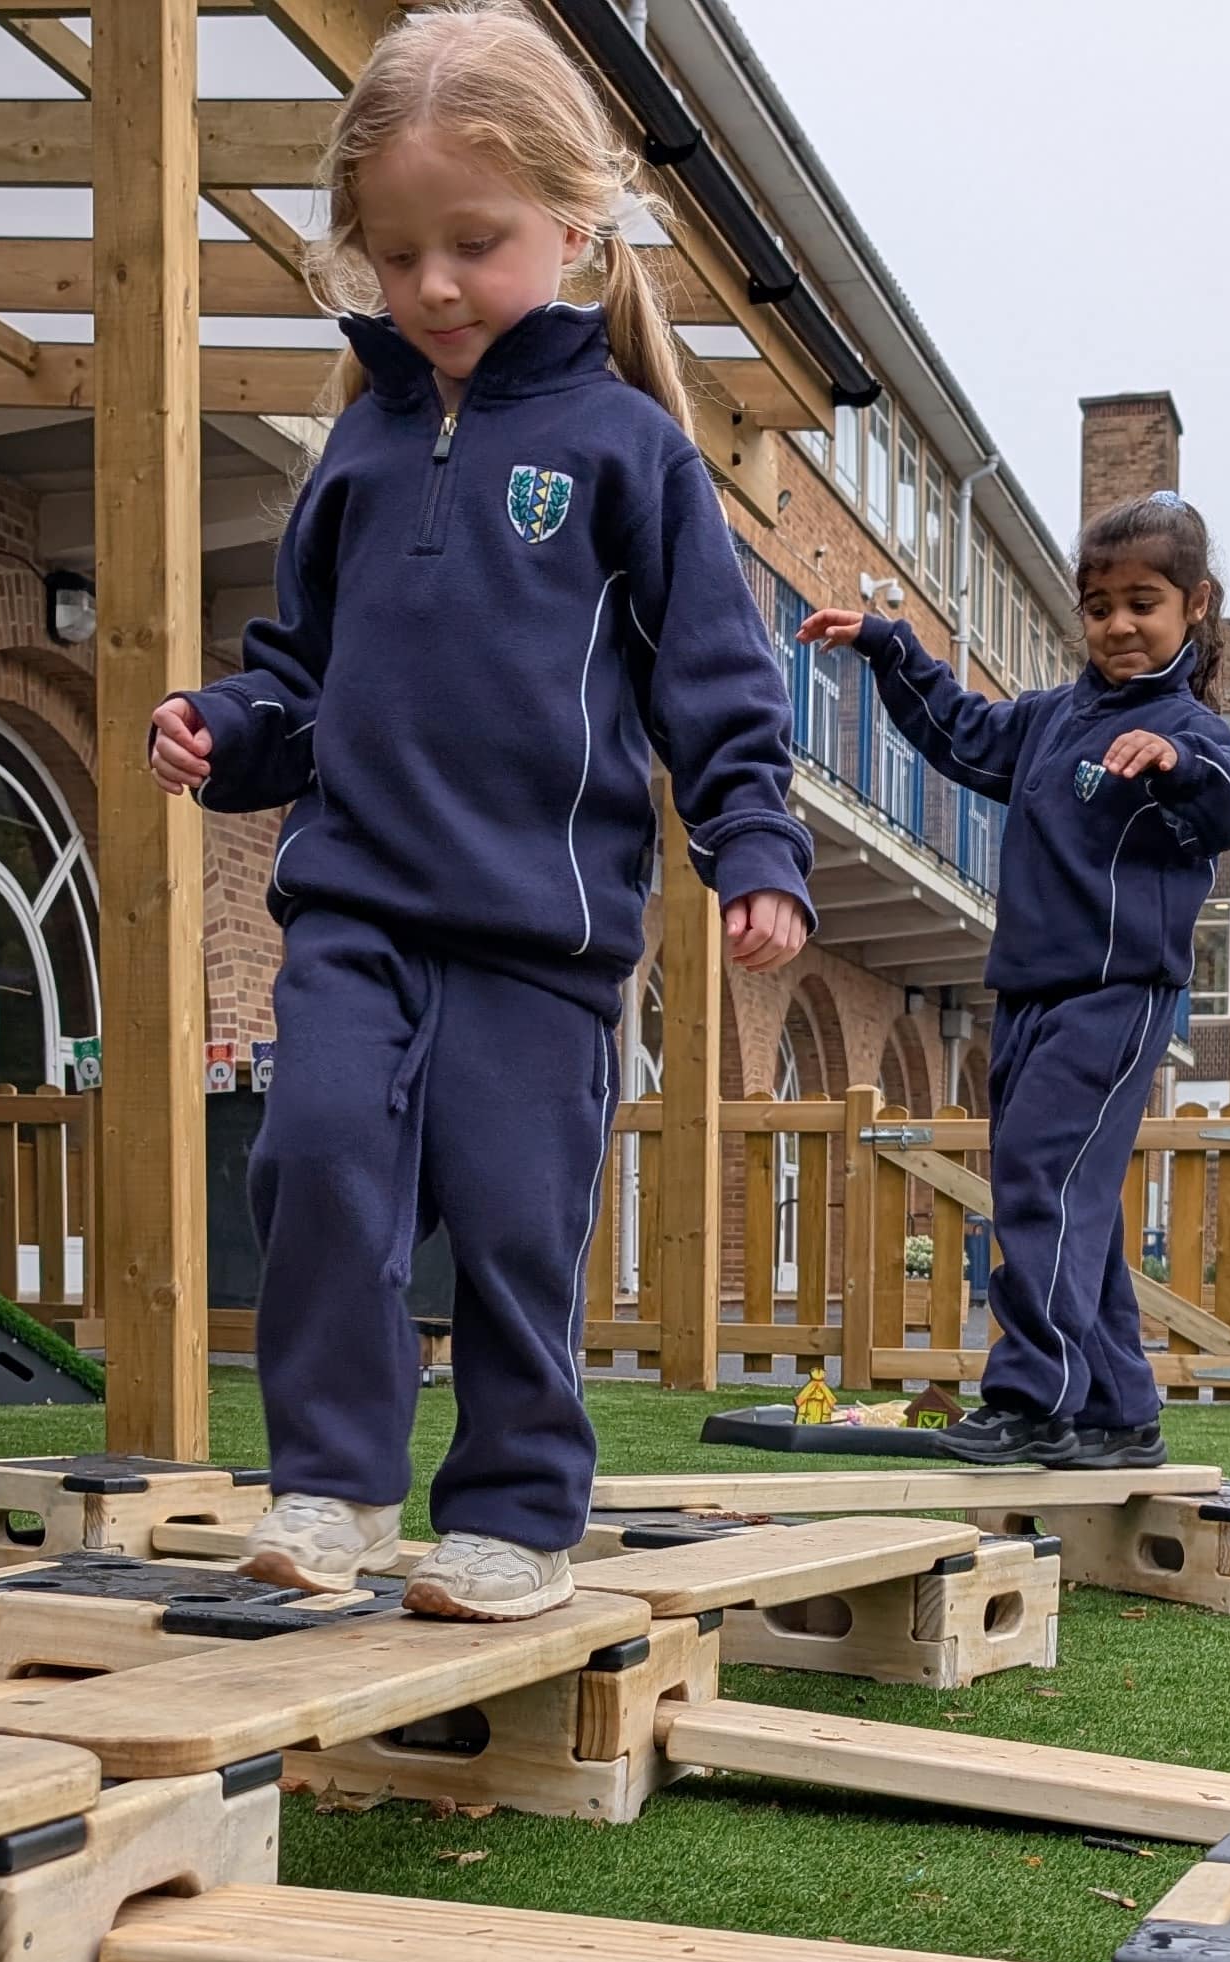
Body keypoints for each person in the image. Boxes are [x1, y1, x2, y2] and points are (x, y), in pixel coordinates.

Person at [153, 0, 812, 1620]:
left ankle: (514, 1519)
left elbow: (715, 680)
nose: (435, 286)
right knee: (315, 1160)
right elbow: (303, 677)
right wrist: (228, 730)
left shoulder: (627, 451)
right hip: (358, 908)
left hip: (539, 937)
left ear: (573, 228)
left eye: (474, 244)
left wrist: (754, 846)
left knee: (519, 1230)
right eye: (397, 255)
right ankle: (331, 1489)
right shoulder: (359, 451)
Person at [805, 494, 1230, 1466]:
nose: (1119, 626)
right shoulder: (1054, 721)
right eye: (1099, 607)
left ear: (1196, 605)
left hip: (1116, 998)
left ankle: (1031, 1400)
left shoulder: (1190, 731)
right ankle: (1120, 1412)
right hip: (1026, 996)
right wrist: (891, 649)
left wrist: (1178, 762)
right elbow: (962, 732)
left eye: (1143, 603)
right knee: (1071, 1207)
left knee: (1041, 1184)